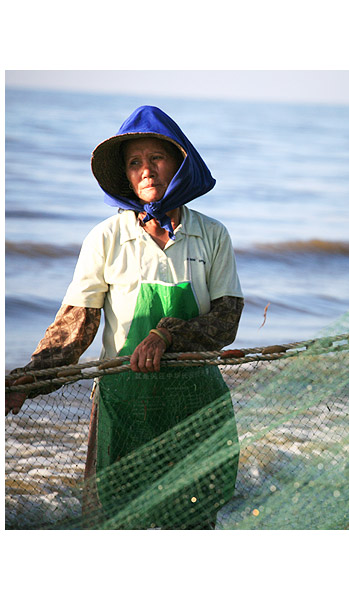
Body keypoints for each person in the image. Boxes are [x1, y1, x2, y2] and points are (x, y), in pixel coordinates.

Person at [6, 105, 244, 529]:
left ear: (180, 163)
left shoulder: (212, 234)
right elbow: (76, 326)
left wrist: (166, 336)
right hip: (125, 401)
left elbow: (226, 321)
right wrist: (31, 379)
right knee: (115, 522)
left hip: (195, 402)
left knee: (192, 519)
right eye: (135, 163)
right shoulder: (106, 238)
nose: (146, 170)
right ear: (126, 177)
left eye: (156, 158)